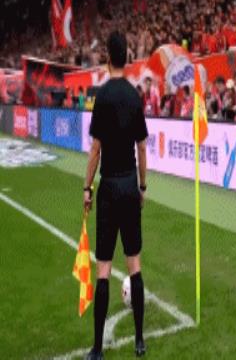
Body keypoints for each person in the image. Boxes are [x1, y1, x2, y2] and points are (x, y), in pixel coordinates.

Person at [83, 32, 148, 359]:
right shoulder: (134, 96)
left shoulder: (103, 96)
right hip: (129, 184)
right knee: (134, 263)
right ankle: (139, 340)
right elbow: (142, 147)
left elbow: (95, 149)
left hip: (108, 186)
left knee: (104, 268)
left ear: (109, 57)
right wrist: (143, 186)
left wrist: (87, 187)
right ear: (128, 57)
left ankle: (97, 348)